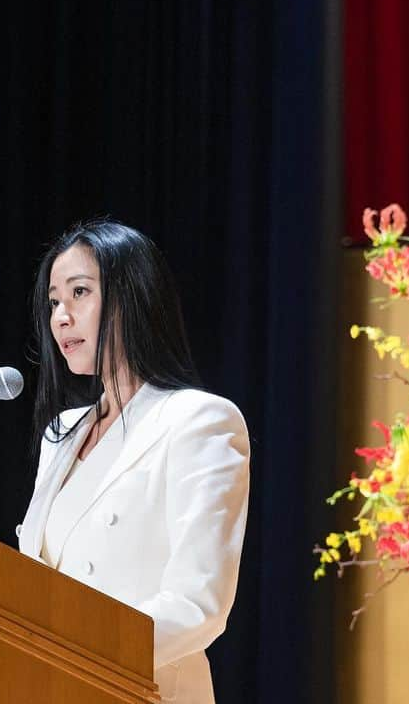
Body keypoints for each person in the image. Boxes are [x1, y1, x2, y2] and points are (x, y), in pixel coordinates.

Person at [17, 218, 249, 704]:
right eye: (54, 301)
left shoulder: (198, 420)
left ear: (132, 297)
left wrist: (76, 655)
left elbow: (197, 604)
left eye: (79, 292)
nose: (61, 316)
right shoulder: (61, 434)